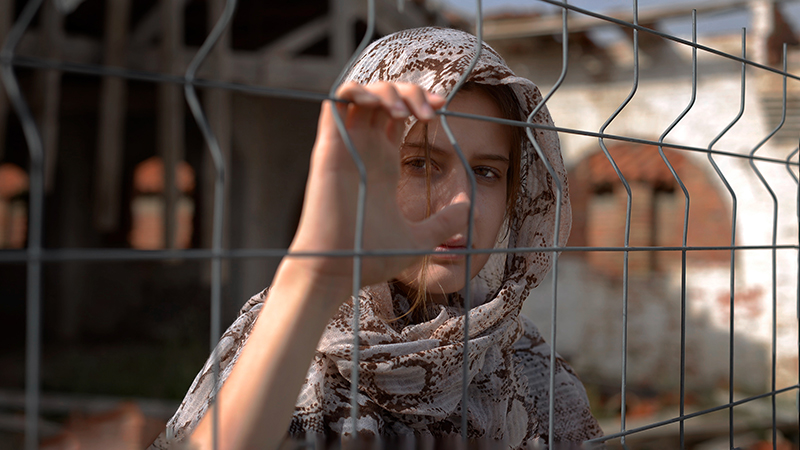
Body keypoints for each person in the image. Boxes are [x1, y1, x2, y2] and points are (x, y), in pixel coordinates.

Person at [149, 27, 602, 450]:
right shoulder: (288, 348)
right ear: (358, 169)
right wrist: (315, 281)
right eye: (421, 164)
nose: (461, 203)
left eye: (487, 172)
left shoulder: (529, 362)